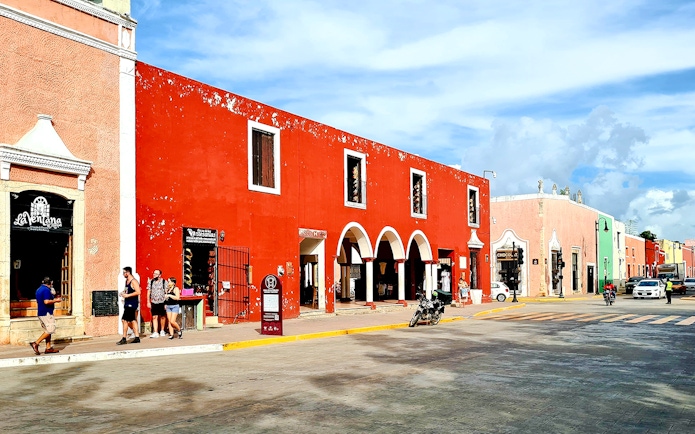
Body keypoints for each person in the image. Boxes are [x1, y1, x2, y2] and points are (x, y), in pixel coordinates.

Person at [30, 277, 62, 355]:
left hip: (41, 312)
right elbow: (46, 302)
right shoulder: (46, 290)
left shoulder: (39, 289)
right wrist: (56, 300)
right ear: (50, 283)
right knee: (51, 329)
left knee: (47, 330)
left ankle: (48, 347)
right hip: (46, 313)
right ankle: (36, 343)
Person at [118, 267, 141, 345]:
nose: (123, 274)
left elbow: (138, 292)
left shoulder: (134, 281)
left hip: (132, 304)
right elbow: (126, 290)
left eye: (124, 272)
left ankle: (124, 338)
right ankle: (137, 337)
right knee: (133, 320)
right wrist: (122, 293)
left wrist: (128, 296)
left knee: (124, 320)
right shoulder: (126, 281)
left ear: (128, 273)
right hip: (127, 303)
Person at [147, 269, 167, 338]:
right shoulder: (151, 281)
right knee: (154, 316)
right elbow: (148, 291)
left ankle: (162, 330)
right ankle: (155, 332)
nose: (154, 274)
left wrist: (166, 303)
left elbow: (166, 292)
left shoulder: (164, 282)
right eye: (154, 273)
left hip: (162, 301)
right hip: (154, 301)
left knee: (162, 316)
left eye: (156, 273)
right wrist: (148, 301)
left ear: (160, 275)